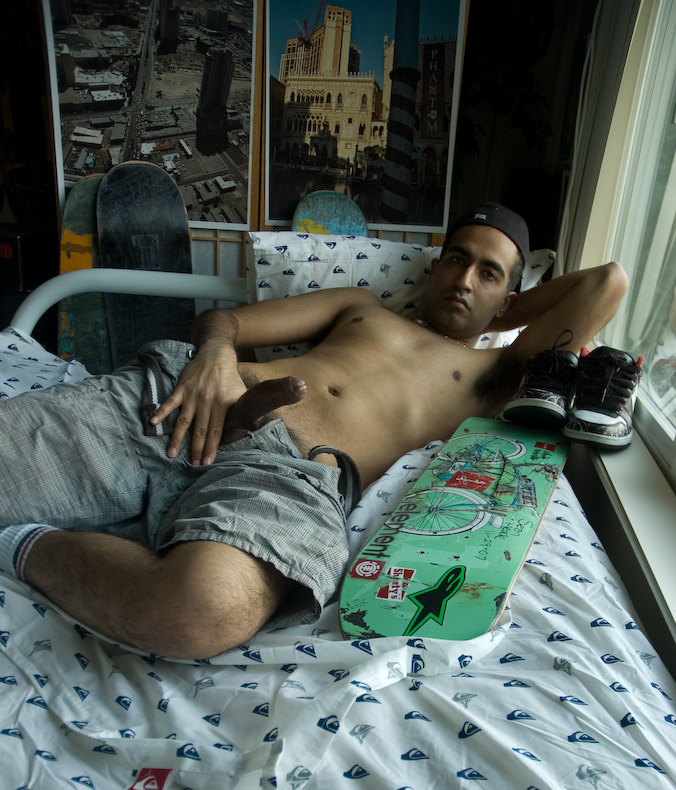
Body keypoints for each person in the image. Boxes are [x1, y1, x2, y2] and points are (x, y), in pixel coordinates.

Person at [0, 203, 632, 659]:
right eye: (456, 260)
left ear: (511, 301)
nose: (464, 279)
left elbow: (609, 282)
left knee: (198, 613)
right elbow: (226, 322)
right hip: (192, 400)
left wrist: (502, 314)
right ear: (435, 266)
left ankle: (24, 544)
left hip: (292, 477)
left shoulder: (497, 376)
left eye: (489, 274)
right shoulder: (361, 306)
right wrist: (215, 356)